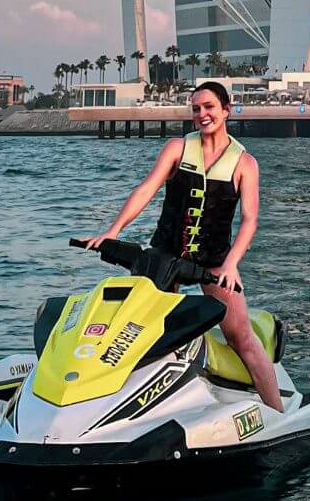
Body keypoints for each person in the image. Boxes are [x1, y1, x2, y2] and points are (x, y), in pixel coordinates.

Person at [84, 80, 282, 411]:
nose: (202, 114)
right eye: (196, 109)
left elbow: (249, 219)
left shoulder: (244, 163)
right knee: (135, 330)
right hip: (166, 255)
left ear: (226, 111)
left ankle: (278, 413)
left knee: (242, 338)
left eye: (209, 107)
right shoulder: (177, 148)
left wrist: (231, 264)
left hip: (214, 261)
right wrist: (113, 231)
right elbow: (146, 190)